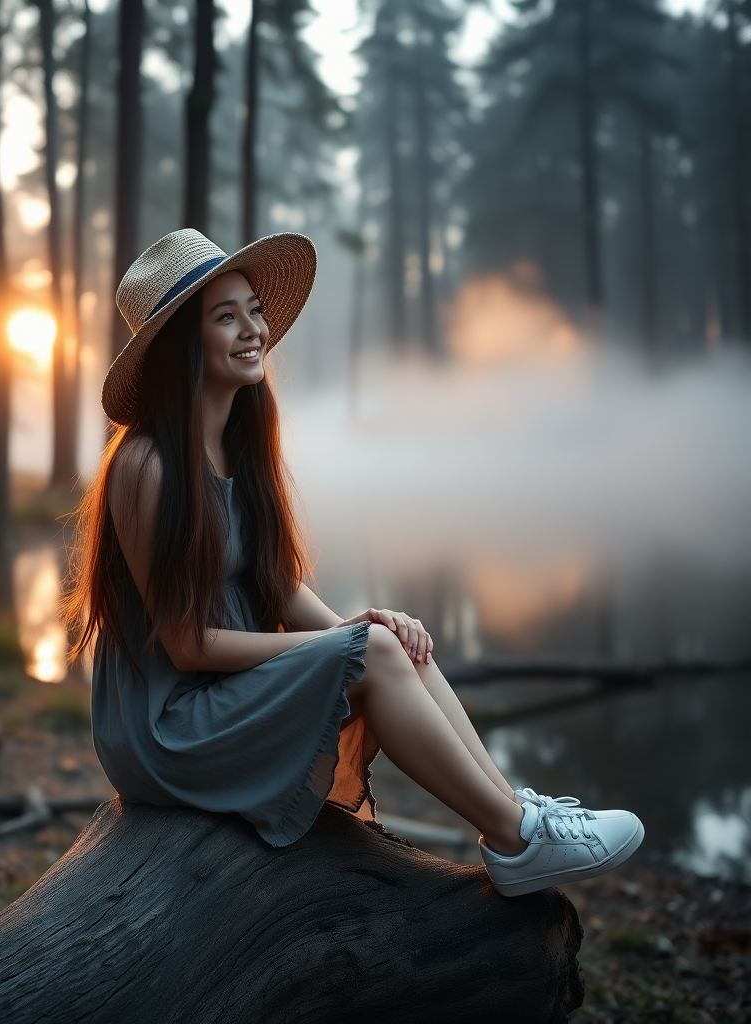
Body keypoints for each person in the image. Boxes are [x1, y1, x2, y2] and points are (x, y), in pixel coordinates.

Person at [65, 227, 644, 896]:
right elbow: (186, 644)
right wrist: (345, 643)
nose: (253, 329)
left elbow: (274, 586)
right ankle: (517, 837)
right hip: (165, 727)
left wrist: (357, 628)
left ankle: (515, 820)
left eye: (254, 309)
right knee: (368, 647)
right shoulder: (148, 467)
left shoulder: (240, 444)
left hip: (216, 694)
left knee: (393, 642)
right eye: (225, 317)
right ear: (180, 346)